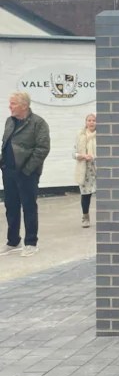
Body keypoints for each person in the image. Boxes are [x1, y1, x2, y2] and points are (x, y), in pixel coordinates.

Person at [0, 92, 51, 257]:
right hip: (8, 172)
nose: (10, 106)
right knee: (11, 207)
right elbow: (5, 143)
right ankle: (13, 241)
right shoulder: (9, 121)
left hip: (27, 173)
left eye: (13, 103)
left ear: (24, 105)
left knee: (29, 207)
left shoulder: (38, 123)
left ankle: (31, 243)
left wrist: (28, 169)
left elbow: (42, 148)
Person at [73, 113, 97, 228]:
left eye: (94, 120)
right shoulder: (80, 135)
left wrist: (94, 156)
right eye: (89, 120)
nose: (91, 122)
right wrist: (82, 156)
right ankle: (85, 217)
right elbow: (74, 153)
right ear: (86, 122)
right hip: (85, 170)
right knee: (86, 195)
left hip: (97, 169)